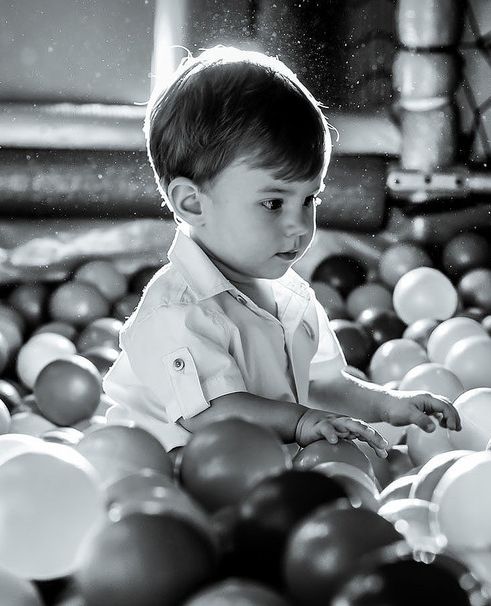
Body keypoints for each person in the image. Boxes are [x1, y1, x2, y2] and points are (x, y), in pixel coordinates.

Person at [103, 46, 459, 454]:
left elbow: (322, 385)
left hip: (252, 468)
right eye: (273, 203)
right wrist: (302, 421)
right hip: (156, 472)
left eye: (309, 199)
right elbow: (213, 412)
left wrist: (388, 404)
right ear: (192, 203)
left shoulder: (290, 296)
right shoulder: (178, 310)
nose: (300, 225)